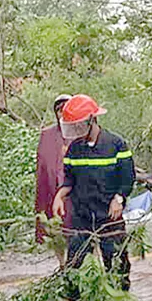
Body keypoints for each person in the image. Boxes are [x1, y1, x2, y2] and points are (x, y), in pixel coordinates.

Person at [52, 94, 135, 289]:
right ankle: (74, 300)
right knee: (75, 265)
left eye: (79, 126)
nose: (77, 132)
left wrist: (119, 198)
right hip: (82, 217)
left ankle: (120, 297)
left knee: (116, 264)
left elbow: (127, 178)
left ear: (92, 120)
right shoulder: (74, 149)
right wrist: (59, 196)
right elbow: (69, 179)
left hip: (109, 217)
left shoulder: (116, 145)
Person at [35, 94, 73, 244]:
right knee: (55, 230)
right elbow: (43, 167)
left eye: (66, 108)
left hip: (76, 190)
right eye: (59, 110)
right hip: (52, 187)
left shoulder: (82, 132)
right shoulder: (47, 135)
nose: (62, 113)